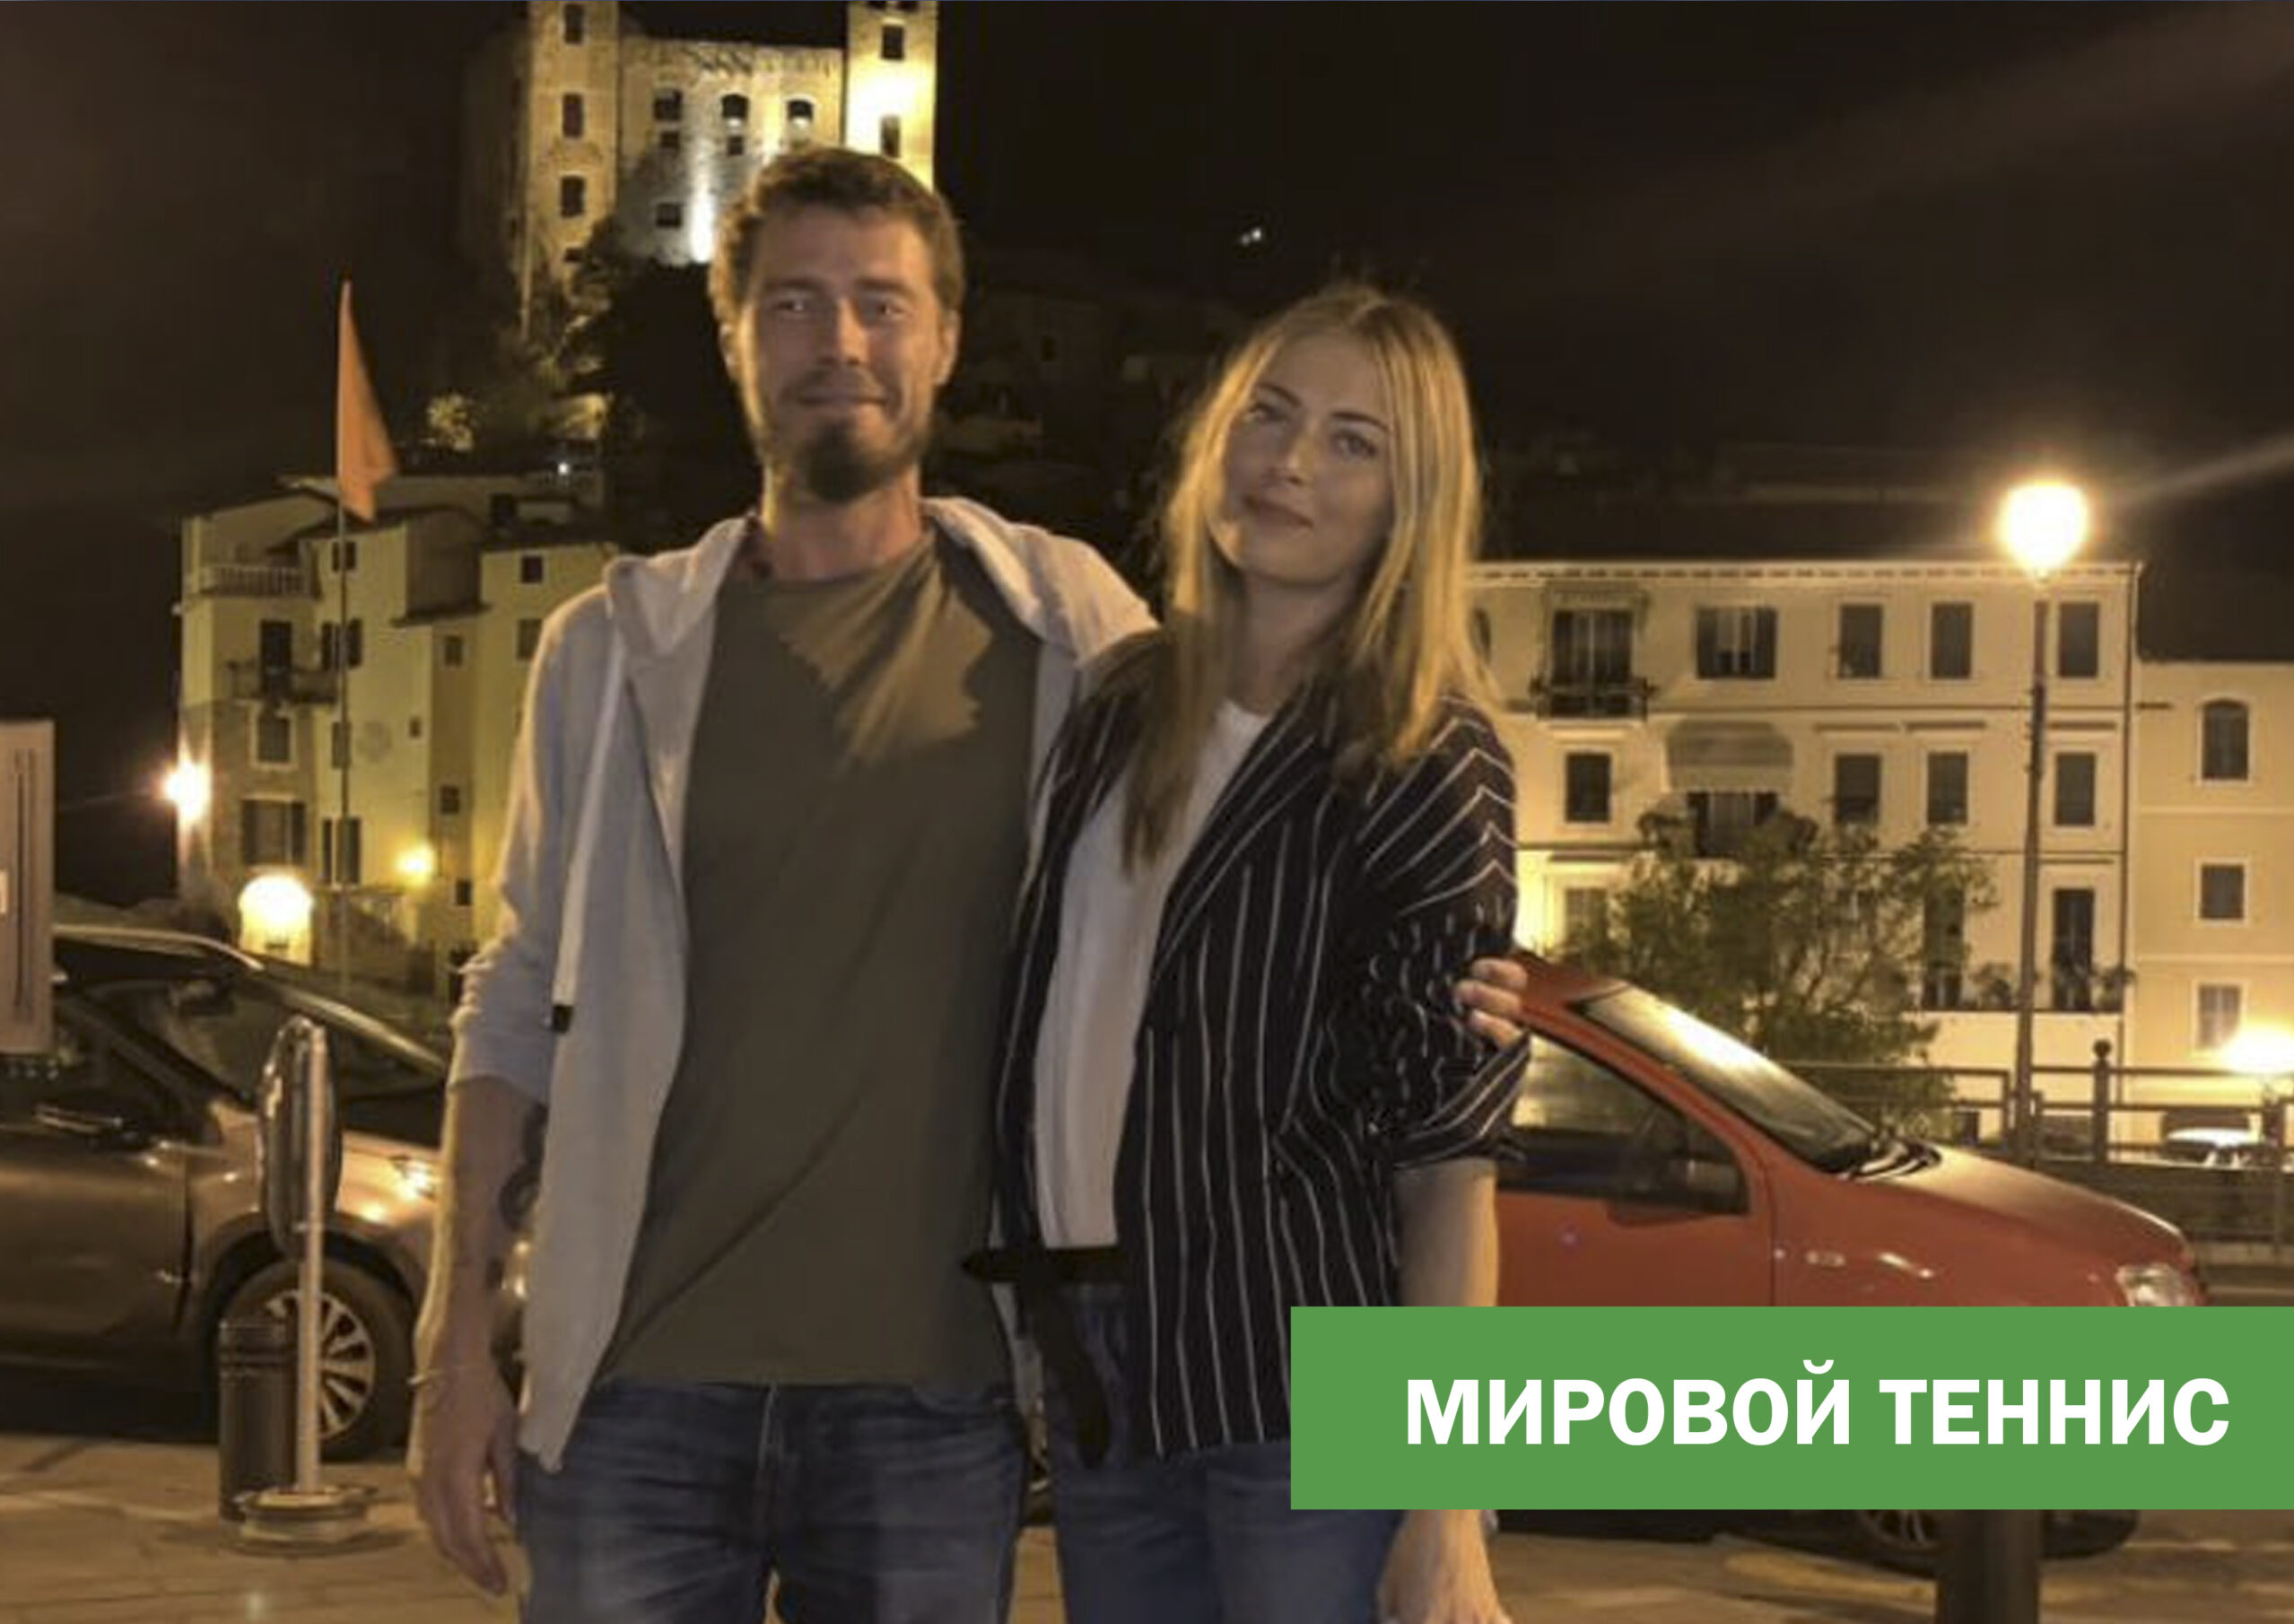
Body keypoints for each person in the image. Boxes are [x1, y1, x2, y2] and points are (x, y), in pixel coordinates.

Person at [408, 151, 1526, 1624]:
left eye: (882, 303)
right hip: (637, 1395)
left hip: (942, 1407)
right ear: (733, 338)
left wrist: (1485, 990)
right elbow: (510, 1001)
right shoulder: (612, 657)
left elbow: (1425, 1103)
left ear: (946, 340)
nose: (840, 341)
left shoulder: (1069, 635)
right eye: (794, 303)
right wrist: (454, 1350)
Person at [981, 285, 1521, 1624]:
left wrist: (1446, 1505)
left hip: (1307, 1379)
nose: (1291, 463)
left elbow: (1447, 1165)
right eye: (1269, 416)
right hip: (1109, 1364)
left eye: (1353, 441)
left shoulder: (1422, 754)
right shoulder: (1120, 707)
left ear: (1410, 501)